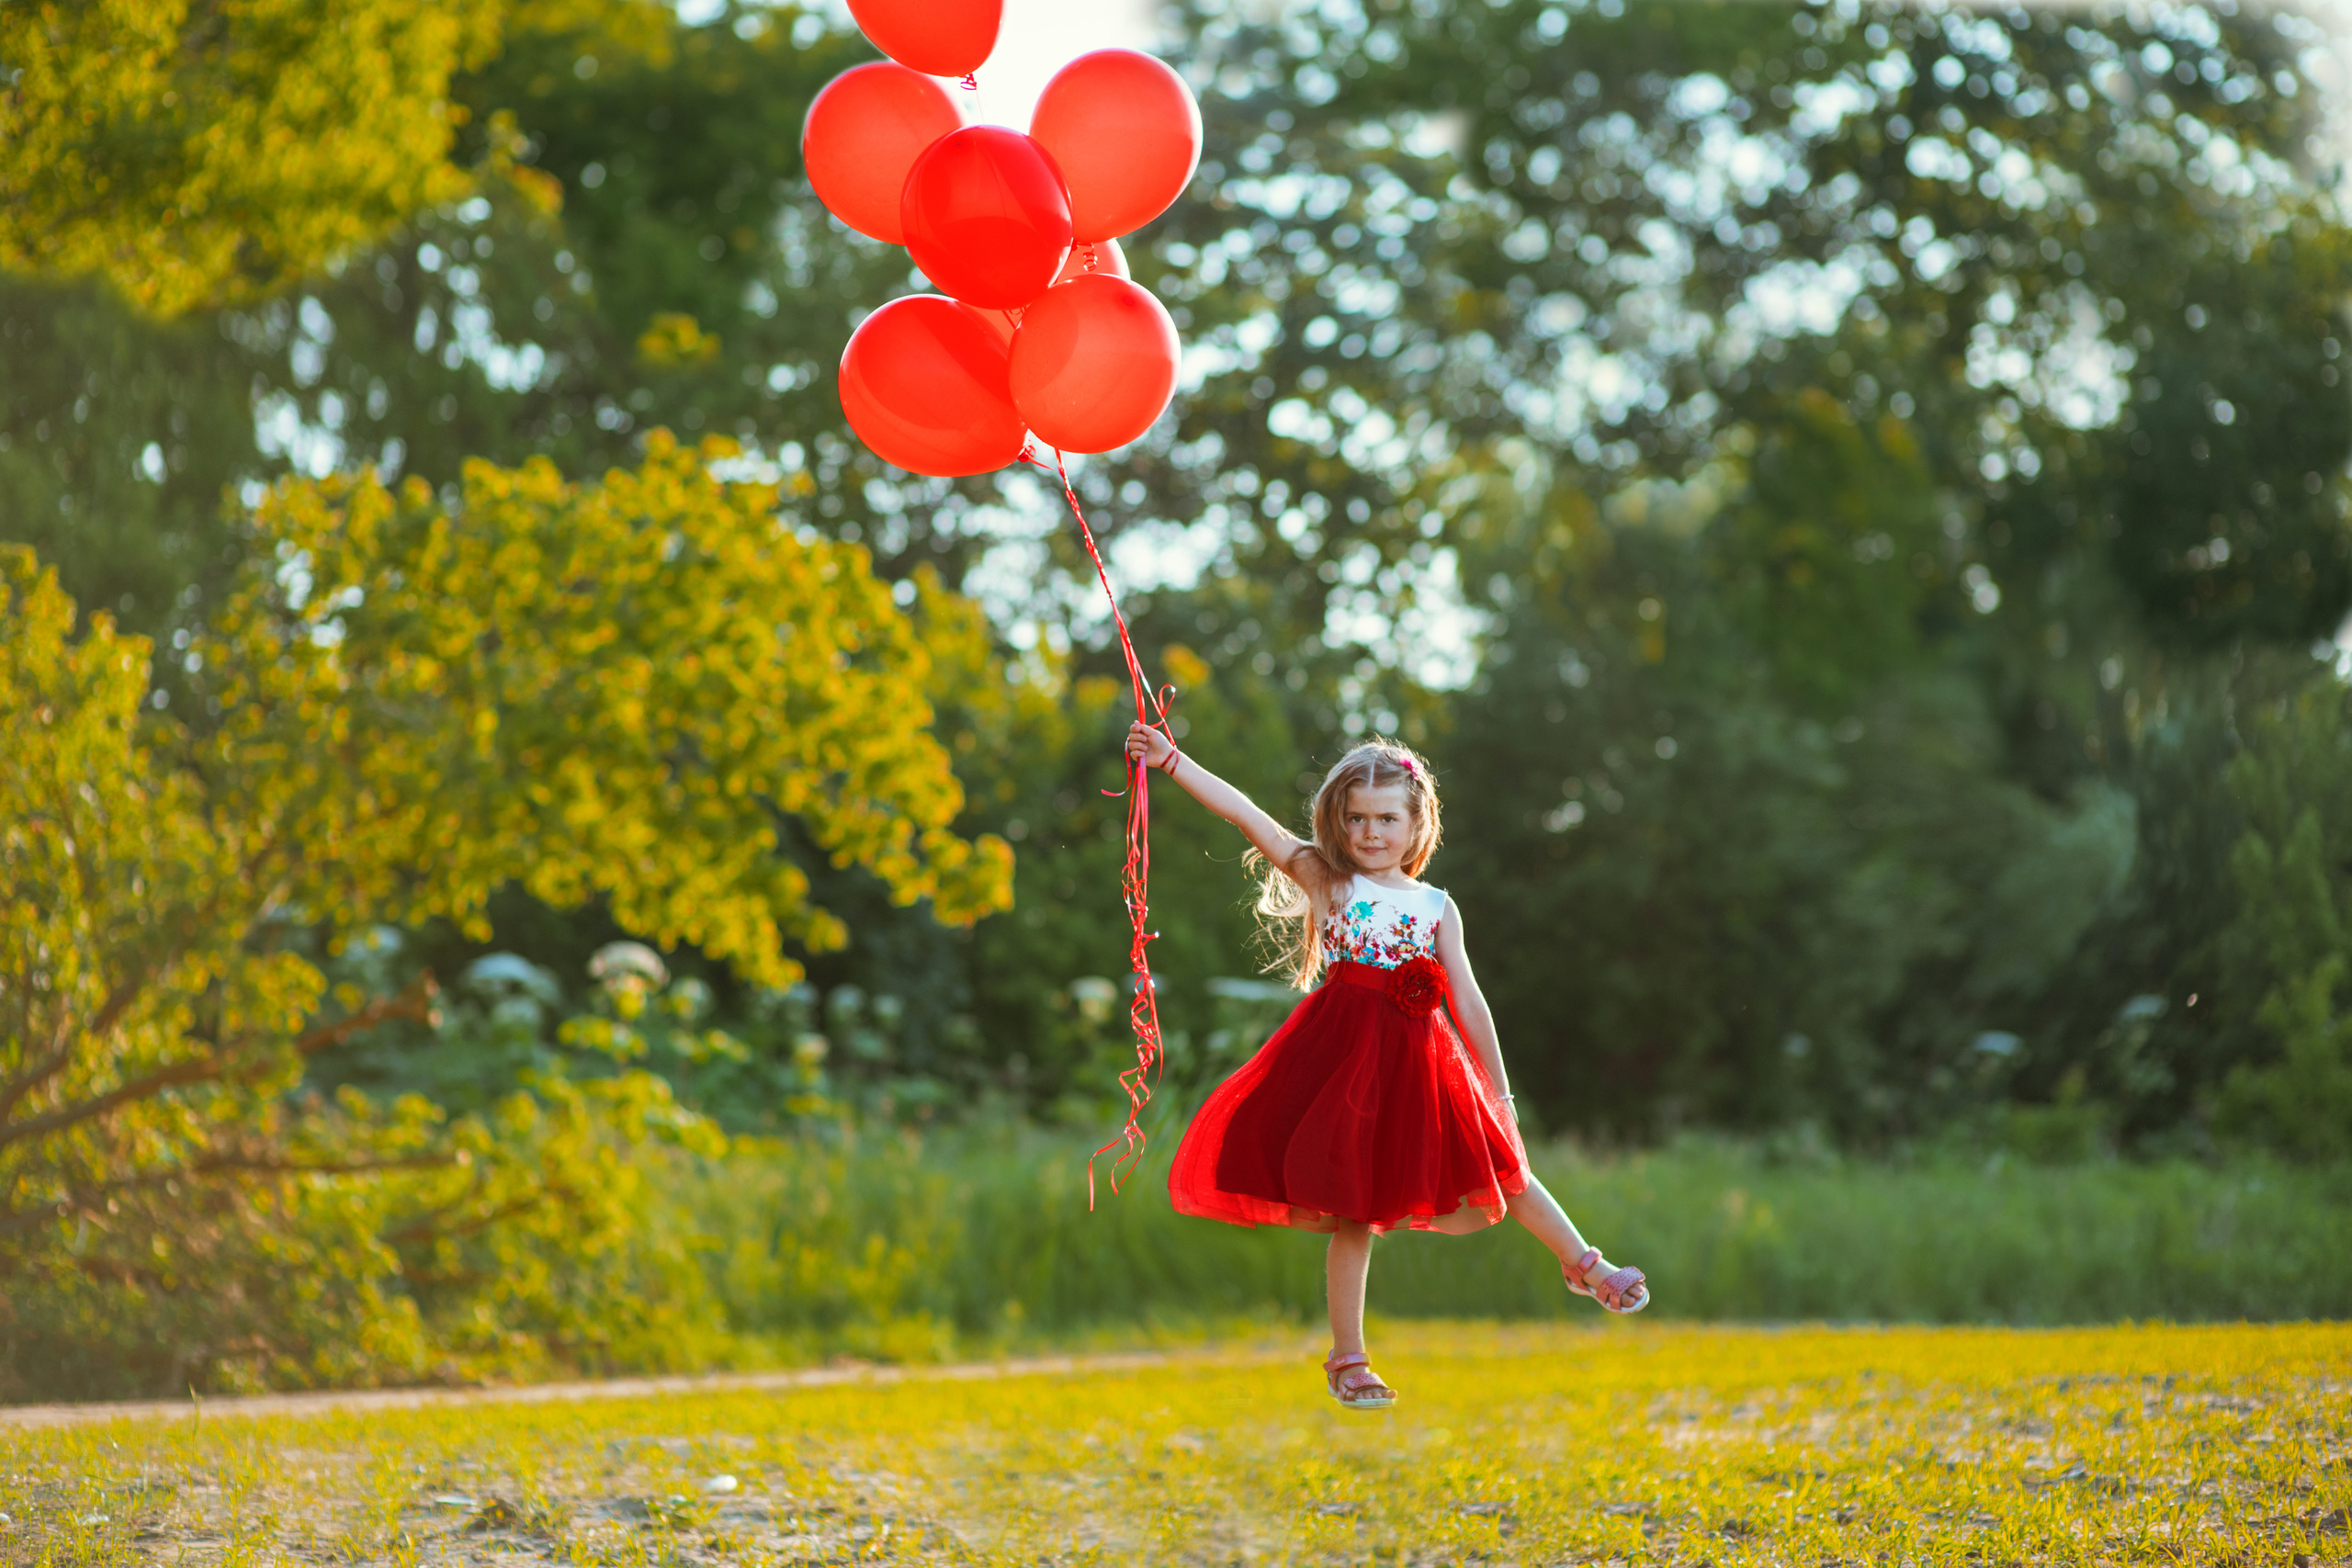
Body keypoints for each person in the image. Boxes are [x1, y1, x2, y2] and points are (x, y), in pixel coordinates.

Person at [1125, 722, 1649, 1411]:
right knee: (1354, 1210)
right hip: (1344, 1065)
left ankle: (1586, 1265)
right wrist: (1172, 761)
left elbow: (1468, 1000)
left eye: (1386, 819)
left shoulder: (1436, 906)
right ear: (1339, 822)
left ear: (1416, 823)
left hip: (1423, 1067)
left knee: (1503, 1164)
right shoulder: (1329, 880)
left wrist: (1499, 1093)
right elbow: (1249, 816)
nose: (1370, 832)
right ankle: (1348, 1358)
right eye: (1356, 818)